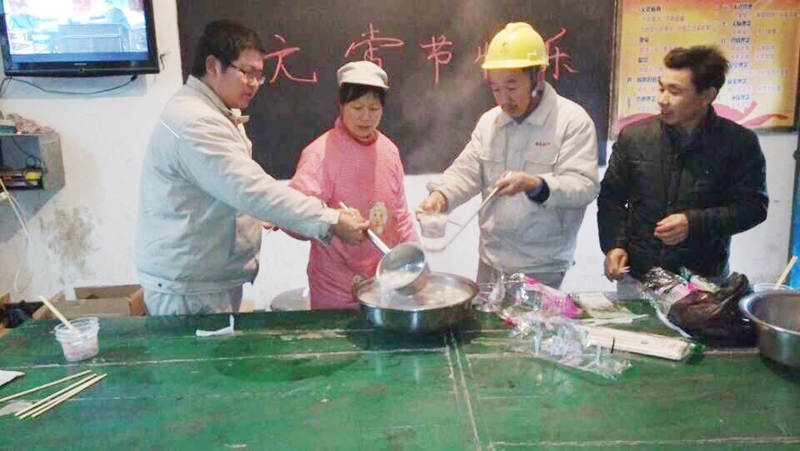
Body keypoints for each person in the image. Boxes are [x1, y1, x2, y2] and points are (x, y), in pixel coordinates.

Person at [135, 20, 369, 316]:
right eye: (247, 73)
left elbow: (239, 184)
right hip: (189, 291)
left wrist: (266, 212)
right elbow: (251, 189)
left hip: (202, 281)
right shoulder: (196, 122)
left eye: (260, 75)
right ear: (213, 66)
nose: (255, 84)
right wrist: (331, 220)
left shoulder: (217, 111)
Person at [416, 22, 599, 288]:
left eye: (511, 87)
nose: (503, 99)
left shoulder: (572, 122)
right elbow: (466, 172)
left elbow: (584, 186)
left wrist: (535, 184)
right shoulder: (490, 122)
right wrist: (440, 197)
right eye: (496, 89)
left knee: (532, 318)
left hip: (542, 267)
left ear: (538, 77)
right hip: (491, 262)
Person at [598, 46, 768, 282]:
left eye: (674, 92)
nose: (662, 100)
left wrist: (694, 223)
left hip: (703, 279)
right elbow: (611, 198)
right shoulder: (635, 137)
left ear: (707, 96)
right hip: (639, 274)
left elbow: (753, 207)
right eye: (661, 88)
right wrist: (614, 245)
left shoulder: (738, 143)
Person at [288, 61, 419, 309]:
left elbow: (400, 216)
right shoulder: (320, 153)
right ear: (341, 105)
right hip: (336, 289)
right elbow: (293, 219)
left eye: (374, 108)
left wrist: (415, 261)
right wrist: (334, 222)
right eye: (357, 107)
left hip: (383, 283)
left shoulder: (389, 151)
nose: (366, 117)